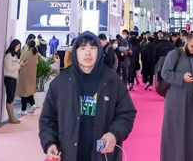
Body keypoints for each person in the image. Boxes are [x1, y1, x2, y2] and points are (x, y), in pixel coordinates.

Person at [39, 32, 137, 161]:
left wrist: (114, 134)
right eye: (83, 48)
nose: (88, 53)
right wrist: (50, 143)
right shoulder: (61, 82)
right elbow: (47, 119)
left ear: (99, 51)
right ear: (75, 52)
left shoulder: (112, 81)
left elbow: (126, 113)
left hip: (103, 155)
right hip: (68, 154)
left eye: (93, 48)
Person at [160, 32, 193, 161]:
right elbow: (165, 73)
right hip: (177, 100)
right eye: (192, 46)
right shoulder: (174, 54)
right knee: (176, 131)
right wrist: (181, 77)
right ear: (186, 42)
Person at [18, 37, 40, 114]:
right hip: (32, 75)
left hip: (24, 75)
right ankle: (33, 104)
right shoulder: (35, 54)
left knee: (23, 92)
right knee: (29, 91)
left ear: (27, 45)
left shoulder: (25, 54)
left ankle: (23, 109)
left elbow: (20, 63)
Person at [3, 39, 23, 125]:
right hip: (9, 78)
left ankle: (12, 117)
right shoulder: (8, 55)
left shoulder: (15, 56)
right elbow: (9, 68)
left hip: (14, 78)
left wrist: (20, 65)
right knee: (10, 98)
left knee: (12, 98)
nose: (18, 48)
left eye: (19, 47)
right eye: (17, 46)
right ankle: (11, 117)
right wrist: (19, 65)